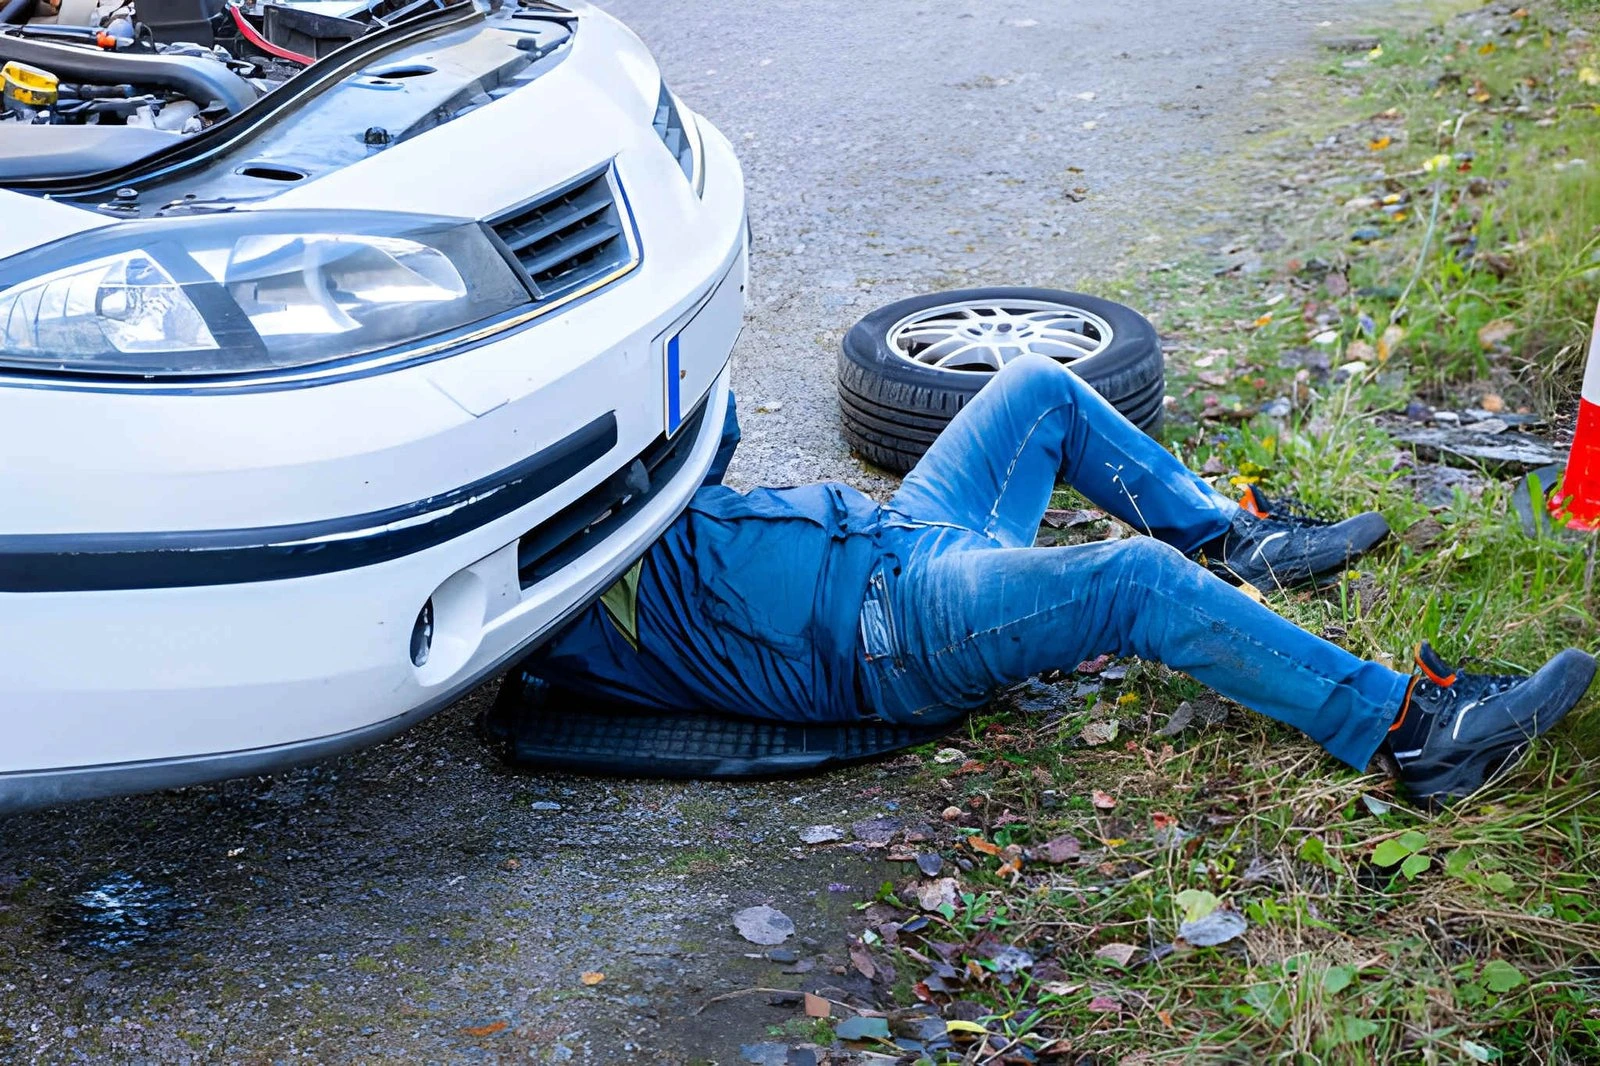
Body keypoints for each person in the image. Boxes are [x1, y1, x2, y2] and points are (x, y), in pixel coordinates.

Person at [512, 355, 1595, 804]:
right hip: (888, 634)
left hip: (899, 540)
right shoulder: (525, 585)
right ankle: (1411, 730)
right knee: (1130, 579)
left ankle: (1231, 538)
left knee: (1036, 385)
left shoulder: (611, 461)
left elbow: (707, 407)